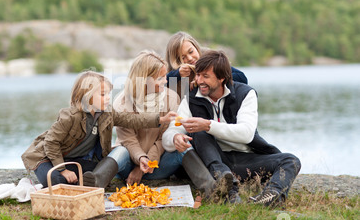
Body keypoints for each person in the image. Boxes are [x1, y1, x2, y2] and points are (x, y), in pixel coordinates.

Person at [162, 50, 301, 207]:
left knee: (291, 160)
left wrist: (209, 125)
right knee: (198, 130)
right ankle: (227, 187)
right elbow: (170, 133)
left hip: (245, 160)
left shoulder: (246, 94)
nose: (199, 81)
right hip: (212, 161)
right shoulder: (191, 99)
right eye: (198, 75)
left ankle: (270, 197)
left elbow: (246, 134)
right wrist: (175, 138)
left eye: (205, 76)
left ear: (222, 78)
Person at [21, 70, 176, 188]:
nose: (108, 97)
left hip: (73, 160)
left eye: (109, 93)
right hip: (47, 158)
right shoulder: (70, 116)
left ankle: (90, 184)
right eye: (103, 94)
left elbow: (131, 119)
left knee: (103, 170)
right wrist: (63, 171)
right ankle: (69, 182)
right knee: (56, 180)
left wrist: (160, 119)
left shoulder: (106, 113)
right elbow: (51, 143)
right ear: (87, 96)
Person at [98, 50, 184, 185]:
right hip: (128, 168)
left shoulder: (172, 98)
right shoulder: (121, 102)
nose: (165, 81)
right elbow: (128, 140)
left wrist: (144, 166)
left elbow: (164, 138)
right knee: (120, 150)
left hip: (157, 166)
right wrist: (140, 161)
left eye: (165, 76)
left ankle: (213, 184)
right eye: (160, 78)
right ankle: (95, 182)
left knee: (184, 148)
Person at [165, 31, 248, 99]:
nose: (189, 58)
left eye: (191, 52)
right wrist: (178, 74)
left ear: (196, 47)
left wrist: (211, 79)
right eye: (183, 57)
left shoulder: (209, 58)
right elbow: (159, 85)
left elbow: (242, 78)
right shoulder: (175, 73)